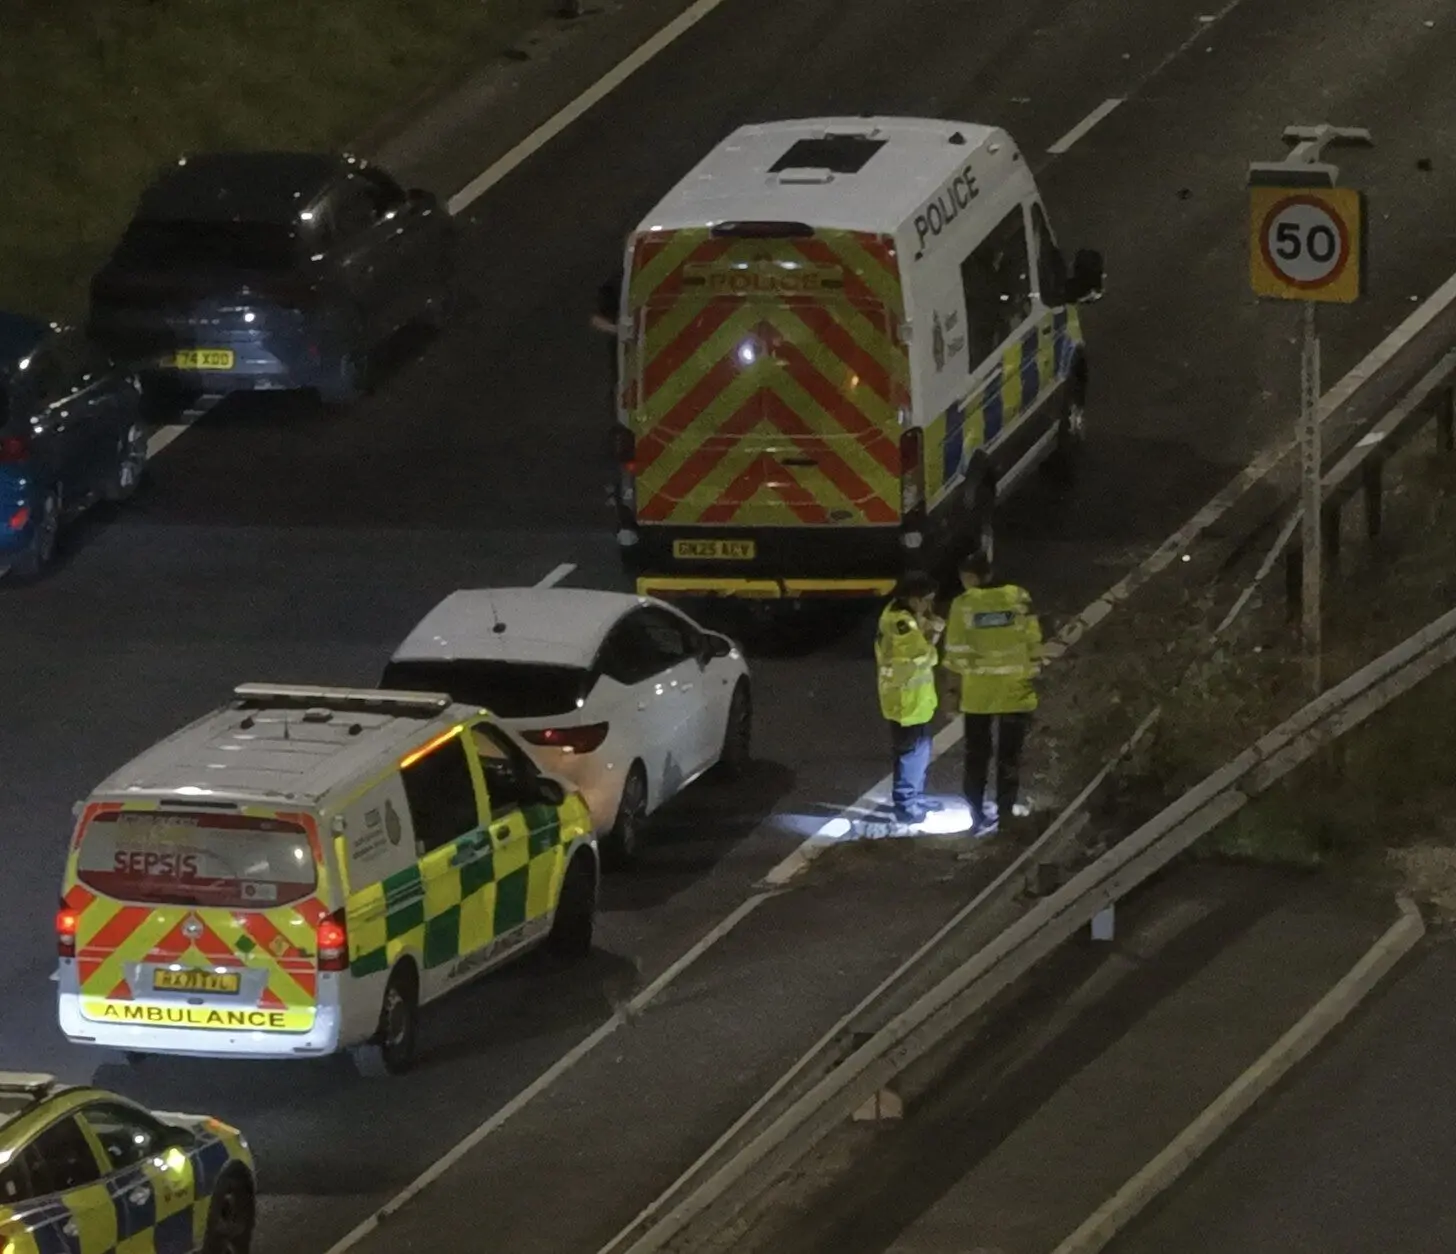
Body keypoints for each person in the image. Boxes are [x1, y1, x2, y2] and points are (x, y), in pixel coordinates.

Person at [941, 550, 1042, 833]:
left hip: (979, 695)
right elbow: (1034, 639)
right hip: (1015, 691)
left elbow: (955, 654)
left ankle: (976, 815)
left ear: (970, 577)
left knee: (977, 756)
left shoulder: (963, 604)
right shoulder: (1019, 596)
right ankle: (1006, 815)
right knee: (1010, 756)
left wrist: (952, 694)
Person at [875, 572, 945, 825]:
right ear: (914, 599)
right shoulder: (900, 624)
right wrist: (934, 636)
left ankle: (915, 796)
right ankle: (906, 805)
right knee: (911, 754)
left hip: (913, 700)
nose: (929, 605)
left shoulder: (904, 616)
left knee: (918, 753)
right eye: (927, 600)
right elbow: (925, 656)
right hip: (906, 701)